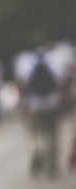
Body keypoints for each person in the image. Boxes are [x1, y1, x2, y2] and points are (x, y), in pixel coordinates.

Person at [15, 47, 61, 178]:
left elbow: (22, 84)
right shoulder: (53, 60)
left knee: (37, 134)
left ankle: (39, 156)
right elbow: (60, 82)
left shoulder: (25, 62)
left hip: (35, 105)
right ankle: (51, 164)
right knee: (52, 135)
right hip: (52, 103)